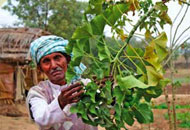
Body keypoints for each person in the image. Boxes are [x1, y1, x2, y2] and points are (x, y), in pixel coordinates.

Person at [26, 35, 97, 130]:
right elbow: (41, 119)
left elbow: (108, 110)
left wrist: (109, 93)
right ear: (40, 68)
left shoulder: (85, 85)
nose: (54, 65)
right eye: (46, 61)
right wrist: (60, 102)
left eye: (57, 58)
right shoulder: (38, 92)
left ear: (67, 60)